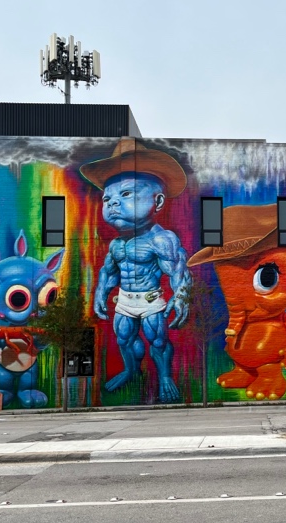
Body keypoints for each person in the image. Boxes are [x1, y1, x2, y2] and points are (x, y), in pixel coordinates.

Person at [80, 140, 191, 401]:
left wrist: (181, 296)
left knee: (158, 340)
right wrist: (100, 292)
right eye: (107, 199)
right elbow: (109, 272)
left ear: (158, 201)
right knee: (124, 338)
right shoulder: (117, 244)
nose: (113, 204)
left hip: (150, 300)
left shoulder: (161, 239)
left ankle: (165, 377)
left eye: (127, 194)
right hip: (125, 300)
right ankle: (131, 370)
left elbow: (178, 270)